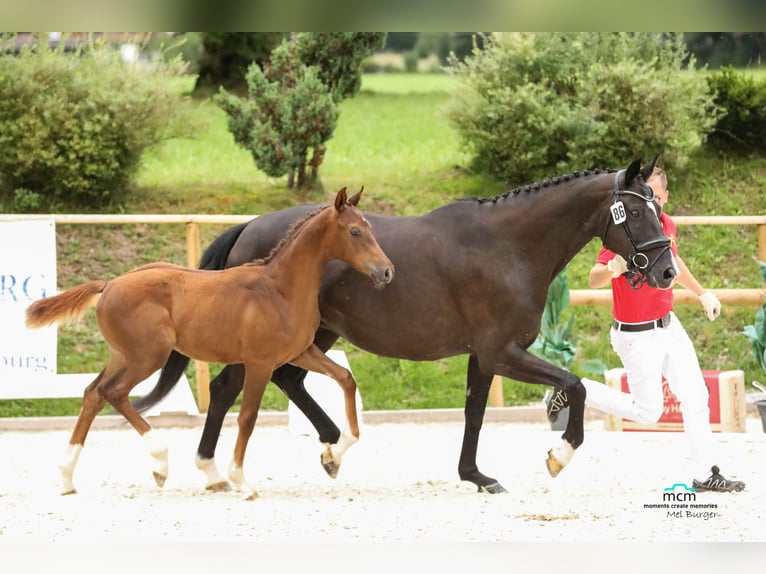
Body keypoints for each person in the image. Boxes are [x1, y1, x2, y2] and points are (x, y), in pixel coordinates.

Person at [546, 166, 746, 493]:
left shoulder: (666, 225)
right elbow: (593, 279)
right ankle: (575, 388)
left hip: (668, 325)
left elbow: (674, 264)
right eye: (643, 194)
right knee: (647, 412)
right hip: (635, 334)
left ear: (665, 197)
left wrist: (702, 293)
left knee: (696, 395)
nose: (648, 200)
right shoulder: (626, 229)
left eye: (653, 194)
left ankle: (705, 471)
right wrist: (613, 268)